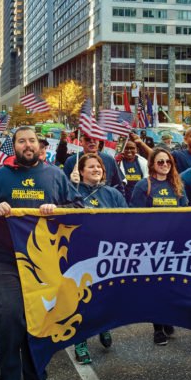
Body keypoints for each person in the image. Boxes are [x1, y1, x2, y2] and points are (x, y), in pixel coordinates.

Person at [0, 126, 82, 380]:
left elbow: (77, 207)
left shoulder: (55, 175)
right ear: (14, 147)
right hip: (7, 260)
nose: (28, 145)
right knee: (8, 315)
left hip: (44, 264)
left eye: (32, 140)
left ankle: (36, 378)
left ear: (40, 146)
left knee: (38, 320)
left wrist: (57, 209)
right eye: (22, 141)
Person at [68, 153, 126, 364]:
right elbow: (61, 214)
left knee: (106, 295)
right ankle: (80, 340)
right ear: (81, 171)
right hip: (81, 254)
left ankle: (104, 327)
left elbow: (127, 220)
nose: (96, 170)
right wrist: (71, 188)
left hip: (109, 254)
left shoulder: (112, 194)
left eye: (99, 167)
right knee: (82, 298)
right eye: (91, 167)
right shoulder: (72, 191)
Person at [130, 147, 187, 345]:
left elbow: (185, 213)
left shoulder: (177, 185)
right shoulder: (143, 185)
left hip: (174, 244)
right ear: (152, 164)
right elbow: (134, 217)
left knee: (171, 285)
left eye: (168, 162)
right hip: (151, 245)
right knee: (156, 287)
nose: (165, 165)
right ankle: (157, 329)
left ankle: (167, 317)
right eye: (160, 162)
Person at [117, 139, 149, 205]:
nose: (129, 151)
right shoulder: (118, 163)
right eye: (126, 148)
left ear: (136, 149)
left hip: (140, 200)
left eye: (132, 148)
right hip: (124, 200)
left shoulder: (144, 163)